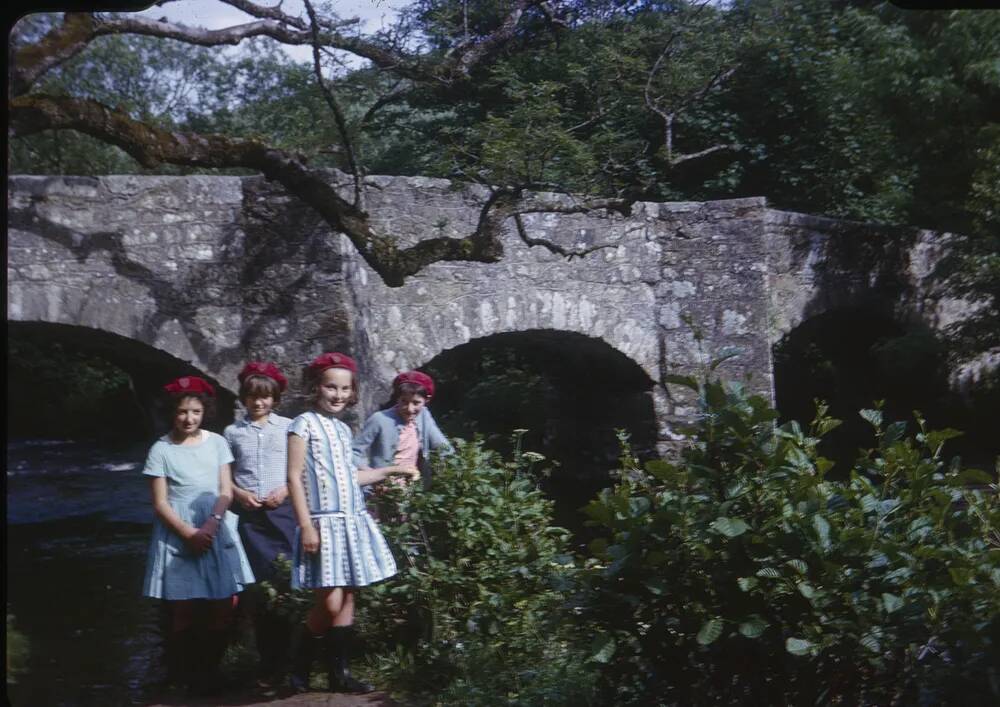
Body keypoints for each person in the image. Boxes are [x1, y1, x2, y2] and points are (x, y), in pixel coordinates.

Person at [287, 352, 420, 693]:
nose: (338, 395)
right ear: (316, 388)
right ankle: (297, 666)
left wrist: (392, 470)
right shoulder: (303, 424)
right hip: (321, 522)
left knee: (347, 596)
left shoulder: (344, 429)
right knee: (328, 602)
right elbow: (293, 476)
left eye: (345, 389)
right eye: (331, 387)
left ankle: (338, 674)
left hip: (351, 521)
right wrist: (305, 525)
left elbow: (352, 477)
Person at [141, 375, 254, 695]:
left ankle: (210, 671)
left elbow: (224, 490)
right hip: (178, 534)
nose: (188, 419)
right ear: (171, 413)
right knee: (184, 608)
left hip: (215, 529)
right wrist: (188, 533)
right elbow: (160, 503)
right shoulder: (160, 449)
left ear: (205, 412)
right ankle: (181, 674)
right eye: (182, 412)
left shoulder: (217, 443)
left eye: (195, 412)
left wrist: (210, 525)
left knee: (223, 604)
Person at [223, 361, 295, 685]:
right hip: (251, 519)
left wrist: (286, 490)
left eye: (265, 397)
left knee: (288, 585)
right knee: (261, 591)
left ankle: (292, 663)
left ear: (275, 399)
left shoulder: (290, 427)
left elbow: (301, 472)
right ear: (243, 398)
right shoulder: (232, 432)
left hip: (284, 513)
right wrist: (239, 493)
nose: (259, 402)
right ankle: (267, 664)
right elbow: (224, 475)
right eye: (252, 396)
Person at [352, 370, 453, 492]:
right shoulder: (379, 419)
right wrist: (372, 474)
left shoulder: (424, 416)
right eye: (404, 401)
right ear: (397, 398)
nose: (410, 409)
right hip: (382, 490)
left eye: (416, 403)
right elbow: (353, 452)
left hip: (411, 487)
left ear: (426, 401)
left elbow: (443, 446)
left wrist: (452, 467)